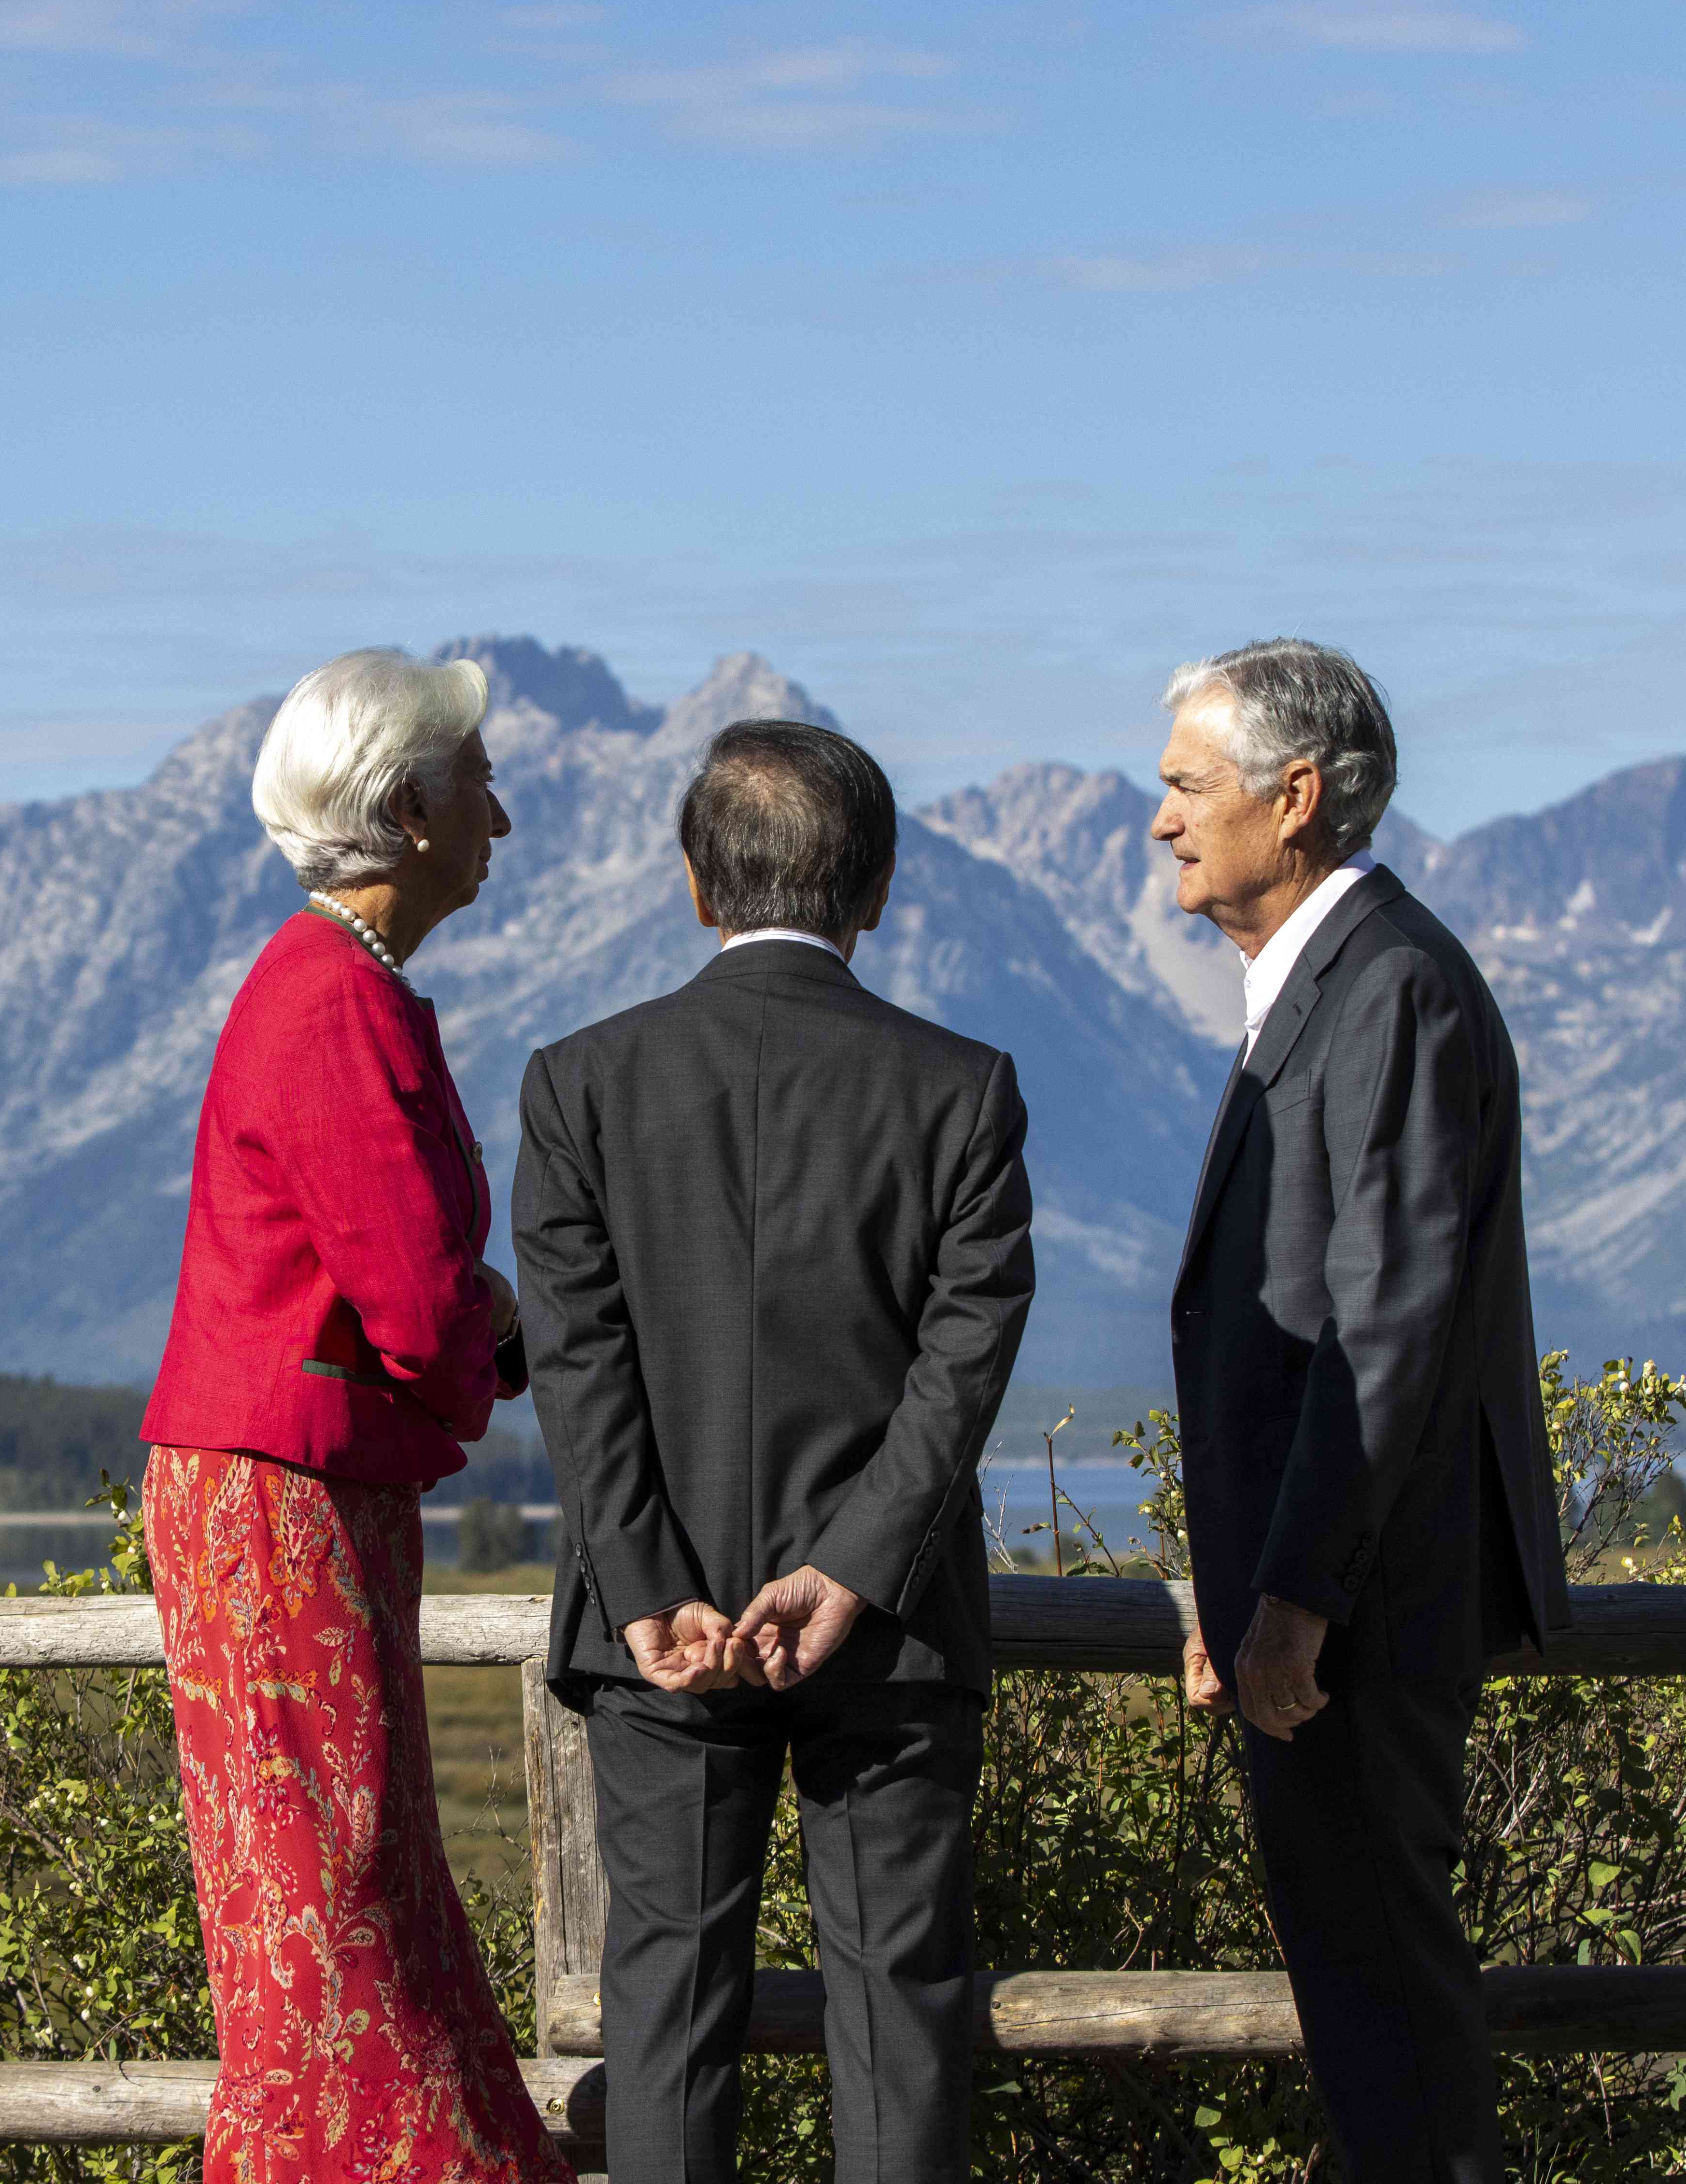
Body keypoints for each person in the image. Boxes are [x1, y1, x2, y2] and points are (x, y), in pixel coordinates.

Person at [514, 718, 1035, 2184]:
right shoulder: (965, 1090)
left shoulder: (578, 1084)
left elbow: (580, 1366)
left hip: (658, 1643)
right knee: (901, 2015)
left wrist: (646, 1590)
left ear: (695, 882)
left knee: (667, 2017)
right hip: (889, 1639)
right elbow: (964, 1361)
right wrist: (855, 1571)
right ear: (874, 891)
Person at [140, 647, 569, 2184]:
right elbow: (408, 1293)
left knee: (336, 1878)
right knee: (329, 1895)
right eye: (480, 785)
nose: (501, 820)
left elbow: (408, 1279)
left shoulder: (337, 985)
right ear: (405, 809)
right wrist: (503, 1338)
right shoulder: (331, 1000)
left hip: (292, 1487)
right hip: (276, 1498)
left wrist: (474, 1318)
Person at [1151, 638, 1572, 2184]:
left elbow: (1380, 1329)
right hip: (1325, 1600)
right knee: (1362, 1997)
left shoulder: (1385, 988)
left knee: (1388, 2005)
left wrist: (1296, 1598)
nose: (1164, 821)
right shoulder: (1337, 983)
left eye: (1189, 784)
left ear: (1300, 795)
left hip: (1362, 1617)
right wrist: (1246, 1576)